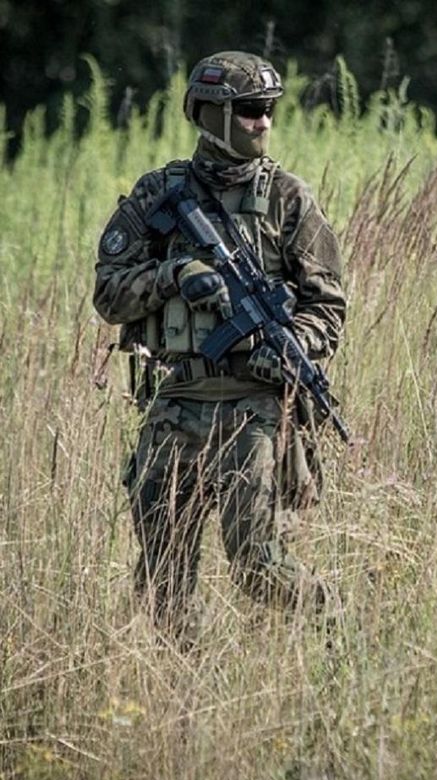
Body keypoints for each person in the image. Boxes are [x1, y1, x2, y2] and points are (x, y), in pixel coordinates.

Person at [93, 51, 346, 647]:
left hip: (252, 413)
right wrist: (174, 276)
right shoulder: (160, 196)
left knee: (259, 567)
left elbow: (327, 305)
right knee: (162, 575)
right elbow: (108, 294)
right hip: (175, 403)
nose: (265, 122)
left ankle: (334, 624)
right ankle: (190, 696)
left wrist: (290, 349)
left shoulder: (287, 198)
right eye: (251, 110)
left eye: (270, 111)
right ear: (210, 114)